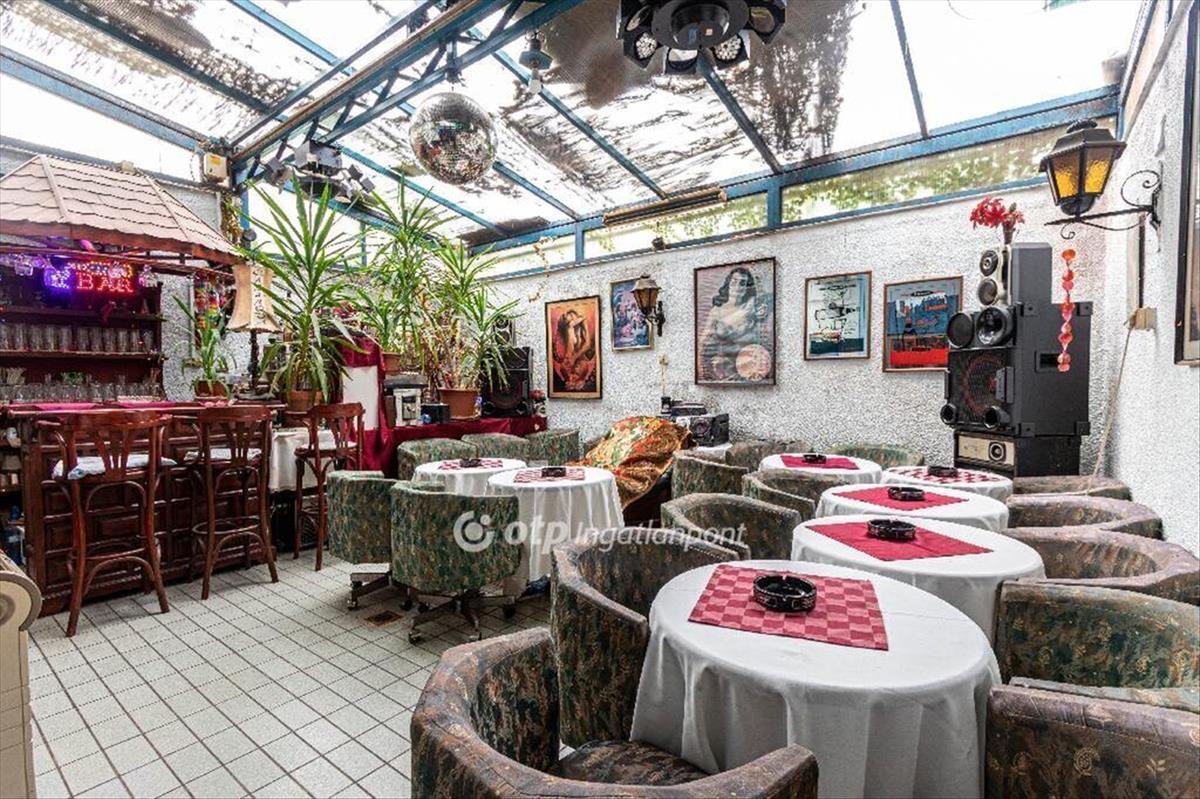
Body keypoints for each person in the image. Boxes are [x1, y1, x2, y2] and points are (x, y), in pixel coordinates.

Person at [698, 267, 771, 381]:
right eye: (734, 282)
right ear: (728, 284)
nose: (737, 287)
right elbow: (703, 341)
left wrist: (763, 312)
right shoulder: (717, 311)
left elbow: (768, 301)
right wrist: (700, 367)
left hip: (751, 368)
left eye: (742, 283)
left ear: (746, 288)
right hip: (724, 370)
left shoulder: (752, 305)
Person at [552, 308, 596, 391]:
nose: (573, 320)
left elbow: (587, 345)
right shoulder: (569, 329)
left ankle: (575, 381)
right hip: (570, 358)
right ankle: (572, 381)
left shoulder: (582, 325)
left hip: (577, 357)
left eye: (573, 317)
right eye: (569, 319)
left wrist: (574, 357)